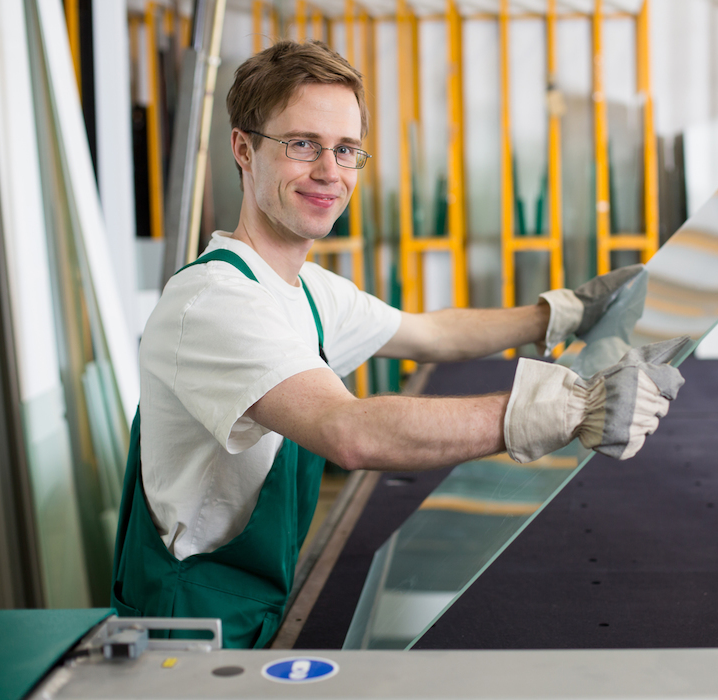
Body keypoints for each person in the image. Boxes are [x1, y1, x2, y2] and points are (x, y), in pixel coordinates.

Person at [111, 40, 684, 648]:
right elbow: (347, 431)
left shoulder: (306, 290)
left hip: (252, 606)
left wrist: (561, 313)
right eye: (303, 144)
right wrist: (571, 408)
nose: (330, 171)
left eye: (347, 149)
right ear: (244, 149)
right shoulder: (215, 302)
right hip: (190, 633)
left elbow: (432, 332)